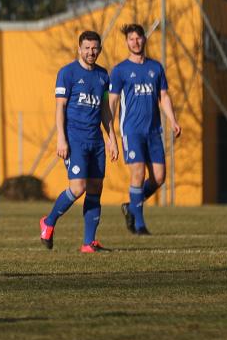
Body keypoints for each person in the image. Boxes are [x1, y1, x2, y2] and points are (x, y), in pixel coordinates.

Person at [40, 30, 118, 253]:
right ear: (79, 49)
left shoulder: (103, 76)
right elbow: (60, 107)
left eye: (94, 48)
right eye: (87, 48)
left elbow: (105, 110)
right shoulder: (67, 73)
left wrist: (112, 138)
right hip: (74, 140)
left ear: (99, 49)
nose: (91, 52)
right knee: (78, 187)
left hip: (96, 141)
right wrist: (61, 139)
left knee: (95, 188)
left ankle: (88, 243)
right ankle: (48, 222)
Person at [108, 23, 182, 235]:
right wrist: (110, 132)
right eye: (131, 39)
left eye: (138, 38)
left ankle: (131, 206)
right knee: (138, 172)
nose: (135, 42)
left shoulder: (156, 68)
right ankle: (139, 225)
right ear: (126, 42)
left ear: (144, 39)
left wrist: (173, 121)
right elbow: (112, 101)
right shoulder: (120, 70)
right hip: (132, 131)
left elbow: (163, 96)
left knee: (159, 177)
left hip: (154, 131)